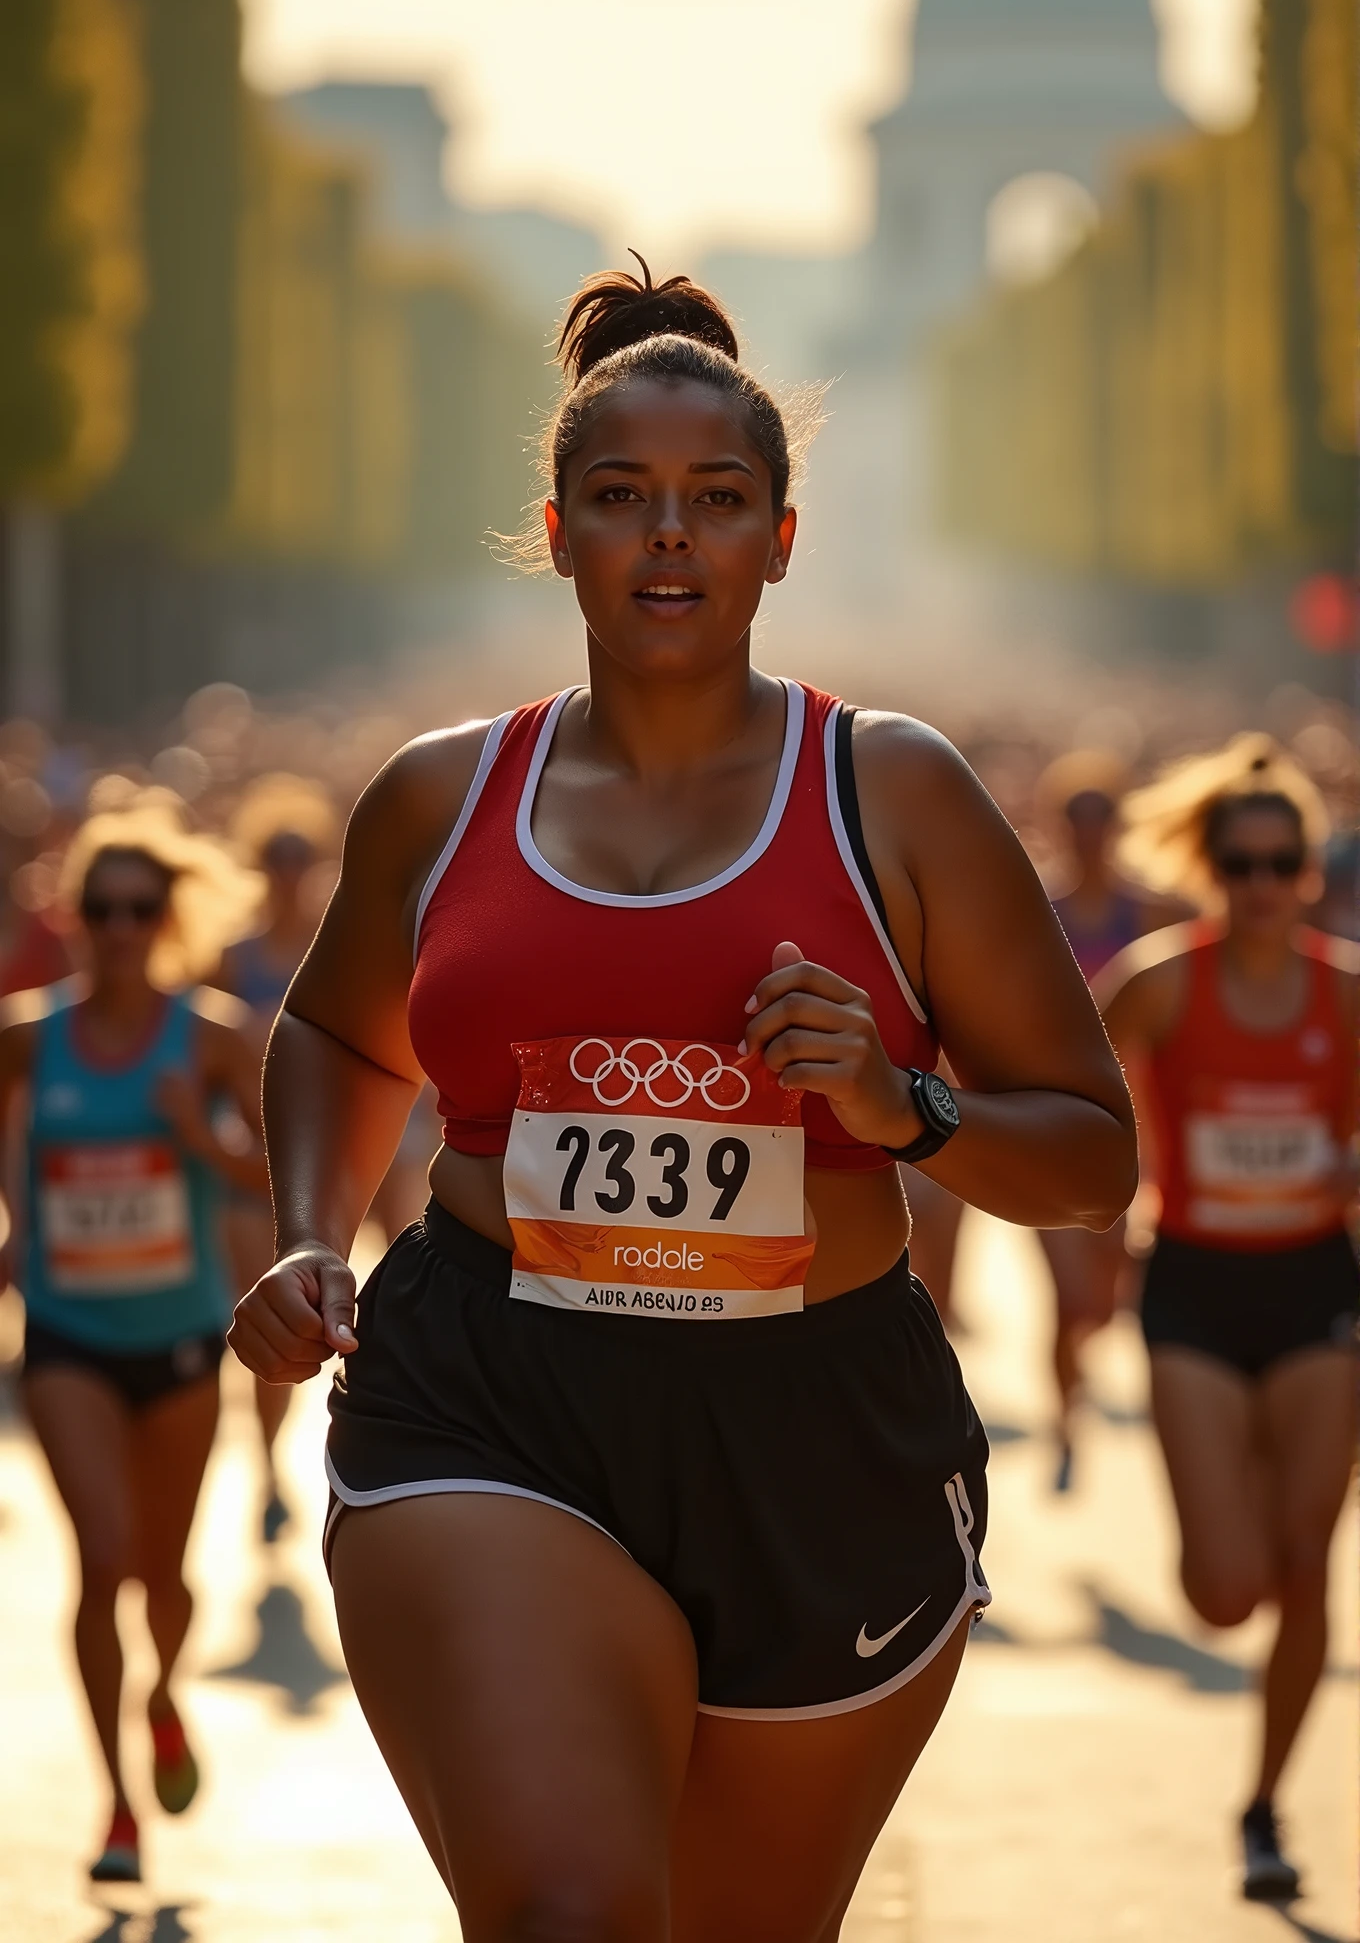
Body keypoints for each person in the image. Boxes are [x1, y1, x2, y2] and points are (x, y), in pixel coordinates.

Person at [230, 261, 1136, 1942]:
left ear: (782, 535)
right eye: (622, 498)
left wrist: (898, 1100)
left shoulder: (897, 793)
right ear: (557, 526)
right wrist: (306, 1234)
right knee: (572, 1912)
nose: (670, 536)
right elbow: (344, 1040)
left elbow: (1093, 1157)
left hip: (817, 1422)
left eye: (717, 500)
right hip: (489, 1385)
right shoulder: (440, 795)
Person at [1100, 736, 1358, 1903]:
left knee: (1309, 1571)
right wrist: (1087, 1231)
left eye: (1282, 861)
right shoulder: (1157, 980)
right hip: (1195, 1288)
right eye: (1240, 862)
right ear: (1210, 866)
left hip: (1315, 1291)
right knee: (1225, 1588)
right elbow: (1071, 1095)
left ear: (1310, 869)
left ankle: (1262, 1803)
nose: (1261, 883)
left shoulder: (1347, 993)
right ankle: (1236, 1502)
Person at [0, 805, 269, 1884]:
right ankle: (115, 1804)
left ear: (166, 917)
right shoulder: (26, 1034)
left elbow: (272, 1174)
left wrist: (198, 1133)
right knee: (101, 1557)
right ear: (73, 915)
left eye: (139, 908)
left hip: (181, 1336)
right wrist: (18, 1224)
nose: (118, 927)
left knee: (165, 1575)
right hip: (67, 1335)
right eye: (99, 907)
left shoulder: (208, 1035)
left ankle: (163, 1694)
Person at [905, 750, 1186, 1496]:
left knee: (1100, 1300)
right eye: (1078, 815)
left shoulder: (1149, 912)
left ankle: (1074, 1376)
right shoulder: (1038, 906)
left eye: (1104, 815)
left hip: (1119, 1127)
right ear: (1060, 824)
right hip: (1039, 1120)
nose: (1091, 831)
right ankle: (1067, 1415)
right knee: (1067, 1298)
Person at [219, 776, 338, 1539]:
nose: (290, 870)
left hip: (325, 1158)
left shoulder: (337, 945)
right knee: (268, 1321)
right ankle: (266, 1469)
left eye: (302, 855)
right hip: (247, 1166)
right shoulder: (231, 958)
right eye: (277, 856)